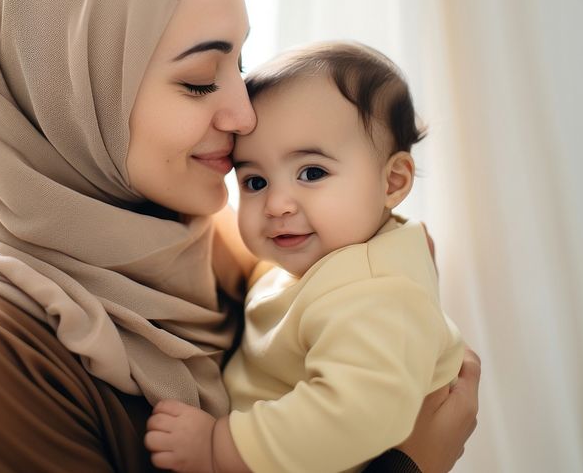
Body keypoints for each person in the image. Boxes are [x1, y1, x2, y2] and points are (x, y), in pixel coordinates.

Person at [0, 0, 479, 472]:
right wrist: (410, 466)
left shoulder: (228, 252)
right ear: (69, 99)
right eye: (198, 81)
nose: (245, 117)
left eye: (240, 65)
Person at [145, 42, 466, 473]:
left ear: (392, 182)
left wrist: (218, 446)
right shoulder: (322, 260)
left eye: (312, 173)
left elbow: (354, 415)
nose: (277, 204)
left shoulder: (378, 293)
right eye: (255, 181)